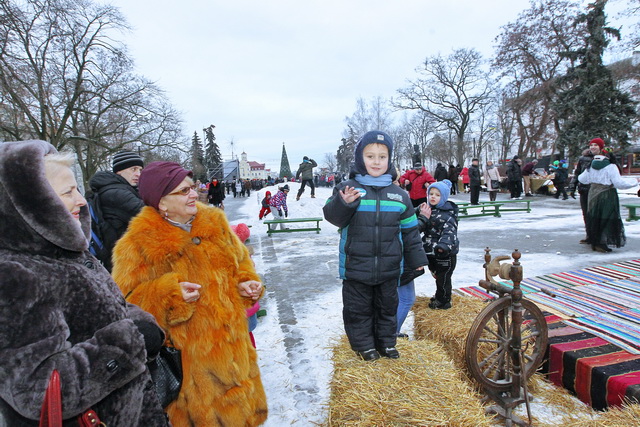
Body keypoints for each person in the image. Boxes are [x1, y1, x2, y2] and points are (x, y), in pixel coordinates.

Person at [0, 140, 168, 426]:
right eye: (68, 192)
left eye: (77, 189)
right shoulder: (14, 275)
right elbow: (36, 391)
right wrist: (129, 342)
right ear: (32, 203)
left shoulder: (63, 252)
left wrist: (142, 321)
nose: (81, 200)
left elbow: (101, 311)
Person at [111, 161, 268, 426]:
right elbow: (126, 305)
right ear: (161, 202)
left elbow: (241, 262)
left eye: (192, 187)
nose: (195, 194)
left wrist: (245, 282)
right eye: (184, 191)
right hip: (191, 371)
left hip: (235, 354)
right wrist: (169, 294)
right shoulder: (137, 244)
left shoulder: (215, 222)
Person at [323, 130, 427, 361]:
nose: (376, 162)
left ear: (389, 159)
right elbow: (333, 217)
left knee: (387, 309)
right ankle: (364, 346)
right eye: (370, 156)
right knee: (358, 310)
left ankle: (386, 343)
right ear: (361, 158)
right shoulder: (348, 189)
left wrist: (417, 260)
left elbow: (410, 231)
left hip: (389, 269)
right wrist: (343, 203)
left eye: (382, 157)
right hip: (356, 268)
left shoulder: (399, 195)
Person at [88, 149, 145, 271]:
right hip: (125, 262)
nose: (138, 174)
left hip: (121, 259)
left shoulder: (120, 189)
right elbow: (148, 213)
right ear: (119, 171)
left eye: (140, 170)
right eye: (133, 169)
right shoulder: (116, 193)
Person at [578, 154, 639, 253]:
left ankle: (594, 241)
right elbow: (619, 183)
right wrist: (634, 182)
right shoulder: (611, 167)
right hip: (607, 194)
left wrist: (593, 179)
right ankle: (601, 243)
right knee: (606, 217)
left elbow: (581, 179)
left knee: (594, 217)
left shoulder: (590, 166)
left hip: (593, 194)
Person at [417, 180, 459, 310]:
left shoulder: (447, 215)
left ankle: (443, 301)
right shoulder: (429, 211)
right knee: (437, 276)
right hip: (431, 253)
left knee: (443, 279)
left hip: (444, 254)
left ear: (444, 197)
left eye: (437, 195)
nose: (433, 197)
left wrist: (443, 246)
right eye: (431, 194)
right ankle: (439, 296)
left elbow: (449, 232)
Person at [570, 138, 603, 244]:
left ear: (600, 147)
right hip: (584, 189)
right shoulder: (583, 159)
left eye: (596, 145)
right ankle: (589, 235)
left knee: (597, 214)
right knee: (586, 214)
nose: (593, 147)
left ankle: (598, 237)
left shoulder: (605, 158)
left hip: (598, 190)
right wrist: (572, 187)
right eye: (591, 145)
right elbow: (577, 173)